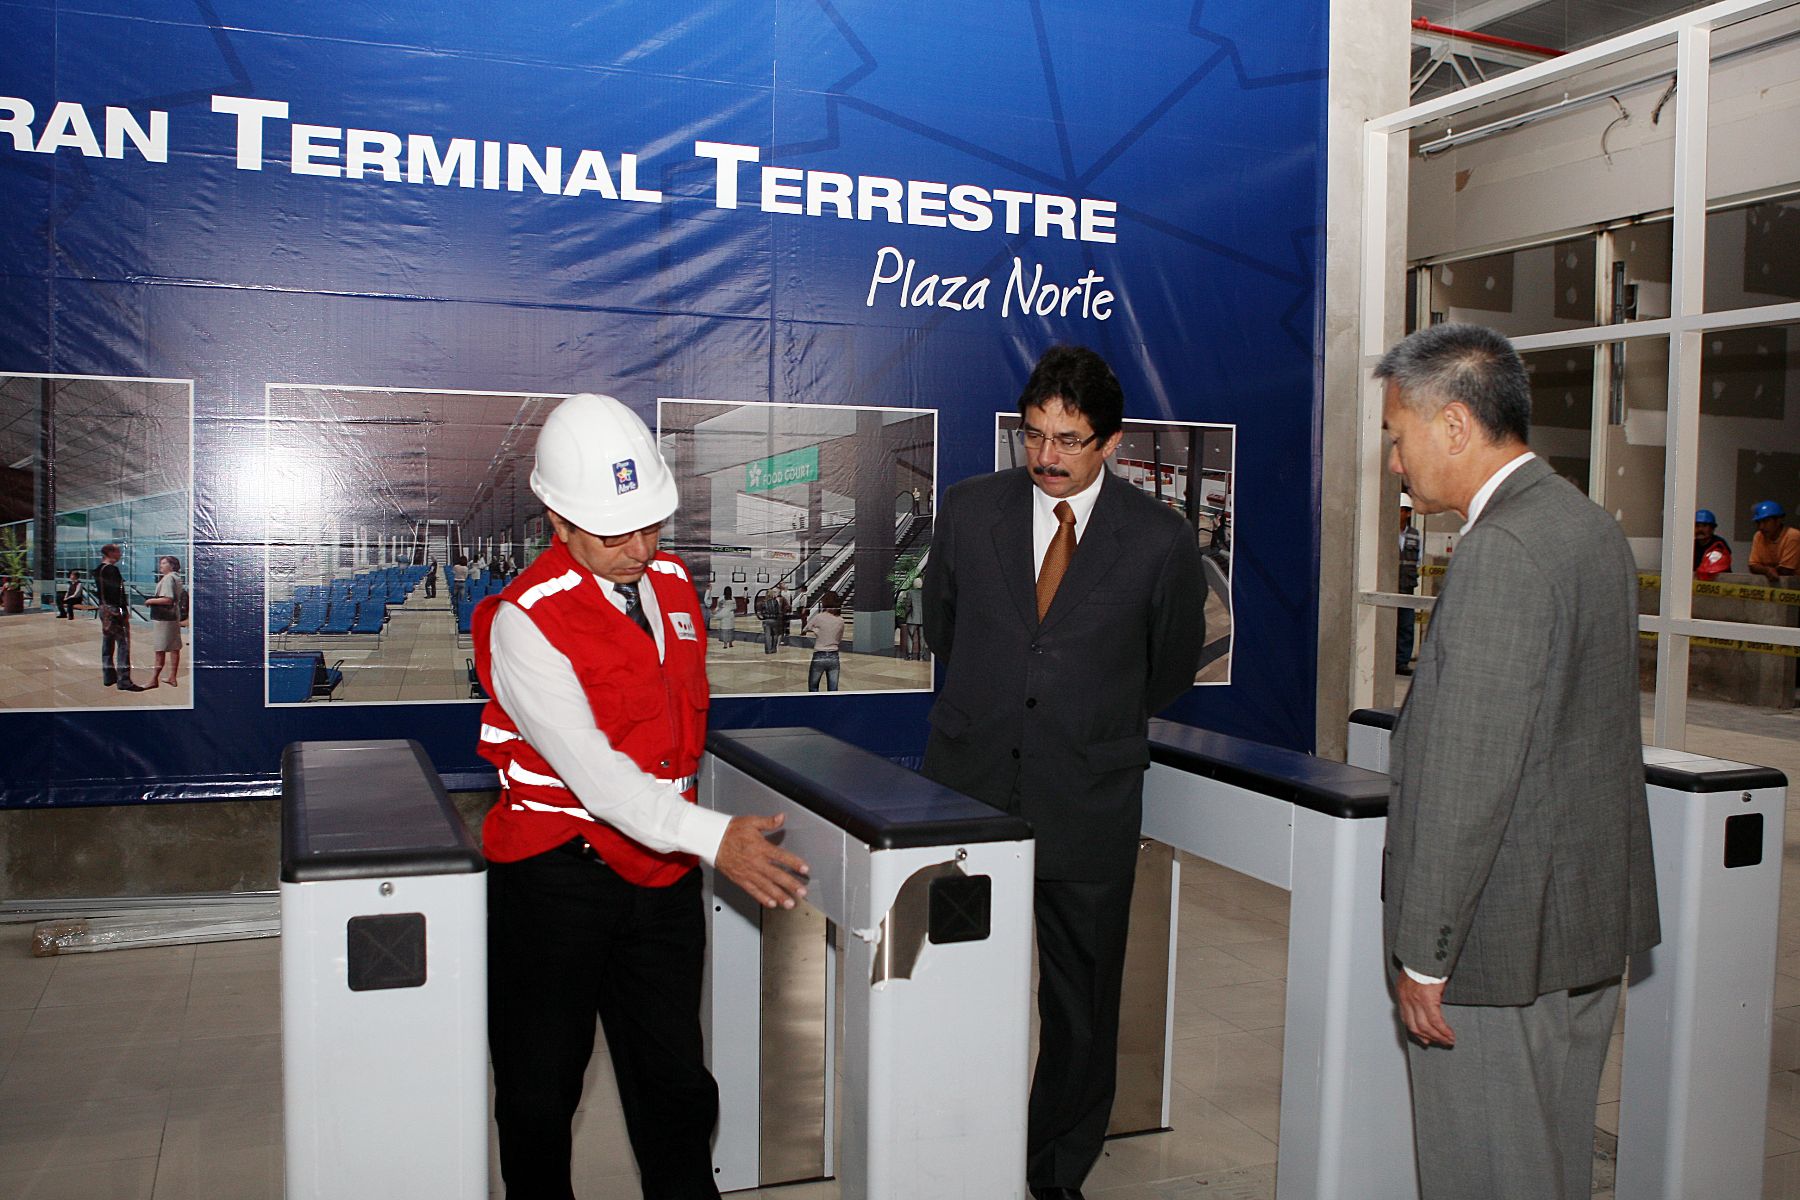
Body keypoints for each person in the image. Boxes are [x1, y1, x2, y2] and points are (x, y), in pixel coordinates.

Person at [472, 392, 810, 1200]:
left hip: (658, 882)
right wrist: (713, 836)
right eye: (613, 530)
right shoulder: (526, 622)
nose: (639, 546)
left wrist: (694, 836)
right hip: (559, 880)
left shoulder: (673, 585)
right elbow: (596, 774)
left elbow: (670, 733)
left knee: (676, 1092)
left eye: (652, 524)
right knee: (538, 1094)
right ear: (557, 518)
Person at [1375, 323, 1659, 1200]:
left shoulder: (1501, 552)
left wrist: (1426, 954)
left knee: (1485, 1171)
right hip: (1578, 925)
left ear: (1454, 425)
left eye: (1397, 435)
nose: (1394, 462)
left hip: (1500, 944)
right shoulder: (1585, 525)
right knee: (1549, 1162)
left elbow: (1471, 775)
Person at [921, 345, 1207, 1200]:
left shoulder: (1159, 541)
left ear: (1112, 443)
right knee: (956, 991)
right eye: (1036, 434)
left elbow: (1171, 668)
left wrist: (1081, 720)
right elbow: (944, 625)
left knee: (1080, 1012)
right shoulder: (970, 512)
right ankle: (952, 1152)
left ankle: (1052, 1175)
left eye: (1070, 440)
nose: (1047, 456)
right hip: (968, 797)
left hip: (1088, 805)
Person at [94, 543, 147, 692]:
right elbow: (117, 593)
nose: (120, 554)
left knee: (107, 642)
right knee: (123, 644)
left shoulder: (98, 570)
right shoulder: (112, 570)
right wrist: (123, 610)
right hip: (114, 610)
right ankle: (124, 681)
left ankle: (108, 676)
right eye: (118, 551)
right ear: (110, 553)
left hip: (103, 609)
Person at [144, 554, 186, 688]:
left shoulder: (168, 578)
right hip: (173, 617)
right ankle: (172, 677)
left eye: (163, 563)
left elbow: (168, 599)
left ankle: (153, 680)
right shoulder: (177, 578)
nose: (160, 566)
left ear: (171, 565)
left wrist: (150, 601)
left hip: (164, 619)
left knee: (159, 649)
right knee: (174, 647)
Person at [1396, 494, 1422, 673]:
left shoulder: (1415, 535)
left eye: (1402, 511)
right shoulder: (1385, 533)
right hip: (1388, 586)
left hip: (1407, 587)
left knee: (1406, 625)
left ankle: (1401, 662)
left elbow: (1417, 560)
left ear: (1407, 513)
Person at [802, 589, 845, 692]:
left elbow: (806, 628)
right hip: (834, 656)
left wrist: (816, 631)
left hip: (819, 655)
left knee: (813, 687)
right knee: (833, 689)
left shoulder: (819, 617)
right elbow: (839, 639)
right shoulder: (840, 620)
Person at [1748, 500, 1800, 583]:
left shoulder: (1792, 535)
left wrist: (1764, 569)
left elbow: (1786, 570)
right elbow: (1753, 566)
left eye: (1766, 521)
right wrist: (1768, 570)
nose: (1761, 527)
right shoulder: (1758, 535)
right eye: (1758, 522)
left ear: (1778, 520)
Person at [1693, 508, 1732, 580]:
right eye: (1697, 526)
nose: (1700, 529)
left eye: (1704, 526)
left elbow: (1710, 569)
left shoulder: (1719, 544)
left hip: (1718, 584)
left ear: (1712, 528)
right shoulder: (1691, 545)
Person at [901, 581, 925, 660]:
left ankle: (910, 656)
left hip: (912, 618)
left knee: (910, 637)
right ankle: (921, 656)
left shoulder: (910, 593)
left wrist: (905, 615)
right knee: (922, 638)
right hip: (922, 619)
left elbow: (908, 605)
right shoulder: (924, 593)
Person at [757, 588, 782, 654]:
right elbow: (778, 611)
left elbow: (761, 612)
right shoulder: (775, 601)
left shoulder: (763, 602)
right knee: (775, 635)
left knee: (767, 635)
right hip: (774, 620)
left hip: (766, 620)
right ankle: (774, 648)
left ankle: (768, 650)